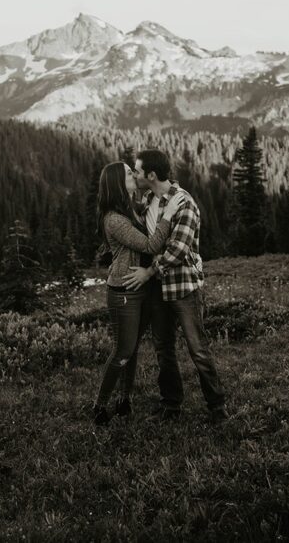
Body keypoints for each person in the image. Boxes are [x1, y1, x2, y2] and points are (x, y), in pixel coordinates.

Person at [122, 149, 228, 423]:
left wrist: (147, 272)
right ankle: (171, 405)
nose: (135, 173)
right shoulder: (148, 199)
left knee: (197, 348)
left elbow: (178, 250)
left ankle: (217, 408)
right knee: (163, 347)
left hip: (183, 287)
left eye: (137, 170)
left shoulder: (184, 204)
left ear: (152, 175)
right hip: (160, 288)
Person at [92, 161, 184, 426]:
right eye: (129, 173)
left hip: (137, 287)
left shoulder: (129, 209)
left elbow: (144, 212)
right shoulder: (115, 219)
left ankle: (125, 400)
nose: (135, 174)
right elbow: (150, 244)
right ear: (119, 183)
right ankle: (99, 406)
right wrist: (168, 215)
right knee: (122, 351)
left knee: (130, 351)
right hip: (123, 291)